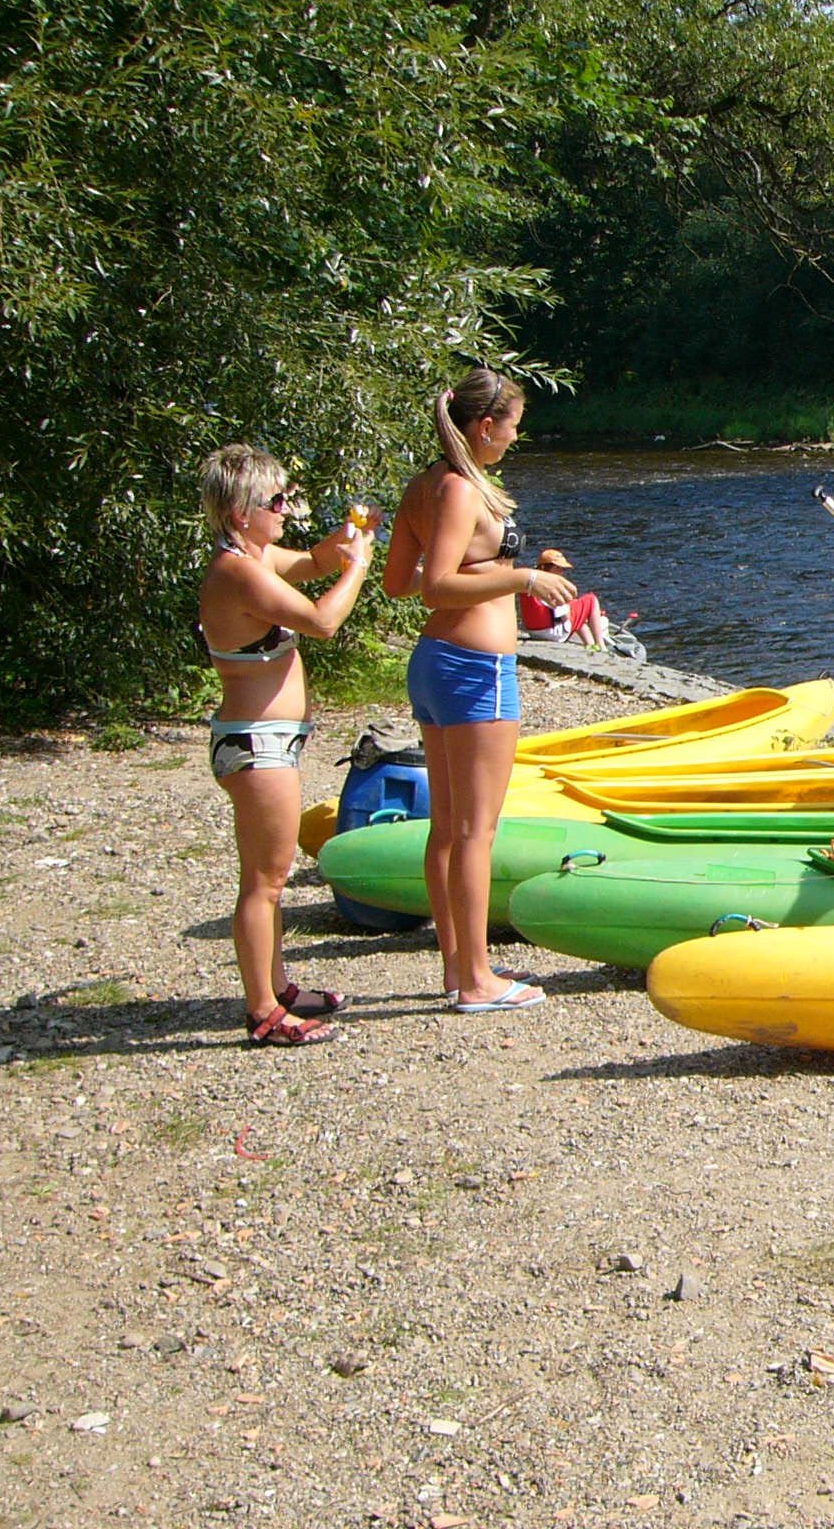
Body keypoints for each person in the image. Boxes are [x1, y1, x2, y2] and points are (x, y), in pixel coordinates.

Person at [383, 367, 574, 1014]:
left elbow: (397, 582)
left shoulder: (425, 486)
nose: (516, 438)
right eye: (514, 425)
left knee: (446, 828)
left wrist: (491, 569)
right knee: (474, 832)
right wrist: (517, 579)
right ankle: (477, 980)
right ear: (484, 425)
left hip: (436, 661)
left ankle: (456, 967)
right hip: (474, 671)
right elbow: (435, 585)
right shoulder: (462, 489)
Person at [196, 445, 375, 1047]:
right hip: (257, 745)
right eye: (276, 502)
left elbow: (312, 561)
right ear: (243, 511)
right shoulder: (238, 572)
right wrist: (358, 569)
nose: (285, 511)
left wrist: (345, 539)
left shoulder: (254, 554)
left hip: (268, 741)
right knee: (265, 881)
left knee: (267, 877)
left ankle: (276, 987)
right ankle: (262, 1012)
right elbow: (322, 620)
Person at [515, 547, 610, 648]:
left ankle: (590, 644)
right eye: (558, 568)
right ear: (544, 567)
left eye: (562, 569)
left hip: (533, 630)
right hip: (551, 633)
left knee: (576, 608)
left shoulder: (530, 581)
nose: (561, 572)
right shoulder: (551, 585)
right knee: (591, 600)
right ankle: (601, 645)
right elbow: (565, 616)